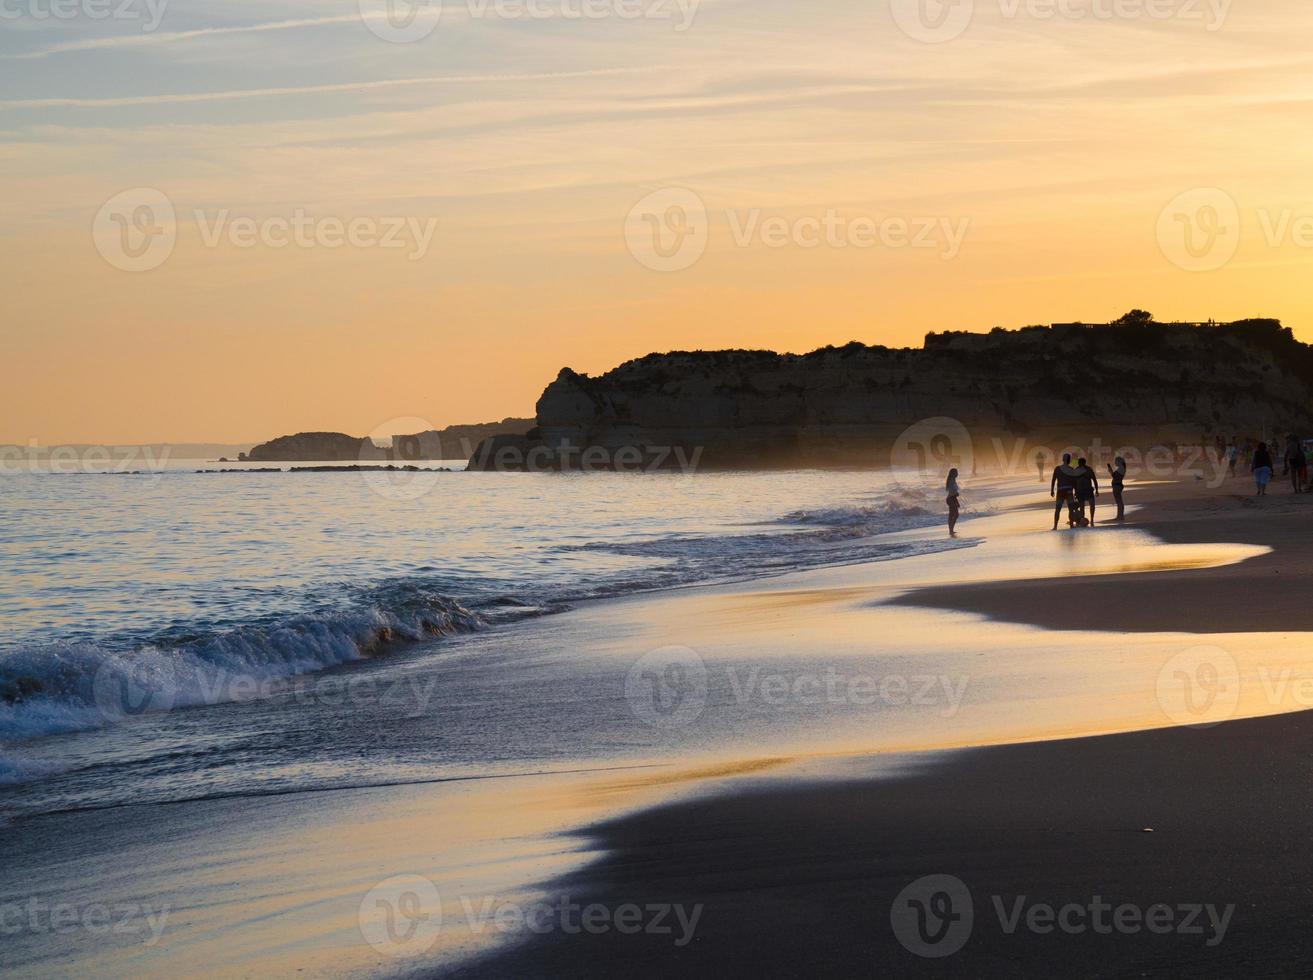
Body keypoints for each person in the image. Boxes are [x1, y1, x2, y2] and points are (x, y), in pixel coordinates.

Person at [1050, 453, 1078, 530]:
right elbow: (1074, 481)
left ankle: (1055, 526)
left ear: (1063, 459)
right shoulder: (1071, 469)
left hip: (1060, 491)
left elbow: (1053, 480)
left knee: (1058, 508)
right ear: (1069, 460)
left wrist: (1052, 490)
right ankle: (1071, 525)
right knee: (1071, 509)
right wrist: (1076, 491)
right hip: (1069, 490)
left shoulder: (1057, 469)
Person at [1074, 456, 1099, 525]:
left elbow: (1094, 479)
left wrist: (1097, 490)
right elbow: (1094, 480)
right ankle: (1088, 519)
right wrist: (1096, 490)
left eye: (1080, 463)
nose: (1079, 464)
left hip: (1085, 490)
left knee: (1085, 506)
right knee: (1089, 506)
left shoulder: (1087, 469)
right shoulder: (1085, 469)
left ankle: (1089, 519)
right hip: (1084, 490)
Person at [1106, 455, 1126, 522]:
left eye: (1116, 461)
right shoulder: (1121, 468)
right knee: (1119, 502)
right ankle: (1120, 516)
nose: (1115, 462)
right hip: (1117, 485)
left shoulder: (1121, 468)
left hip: (1117, 486)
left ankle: (1120, 516)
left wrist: (1110, 471)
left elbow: (1115, 476)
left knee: (1119, 502)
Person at [946, 467, 961, 537]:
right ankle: (951, 530)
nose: (957, 474)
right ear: (953, 474)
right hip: (951, 499)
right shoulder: (951, 481)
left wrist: (956, 495)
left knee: (952, 515)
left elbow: (953, 492)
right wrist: (957, 501)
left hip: (951, 498)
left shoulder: (952, 480)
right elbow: (953, 493)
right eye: (956, 472)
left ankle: (951, 530)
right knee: (955, 514)